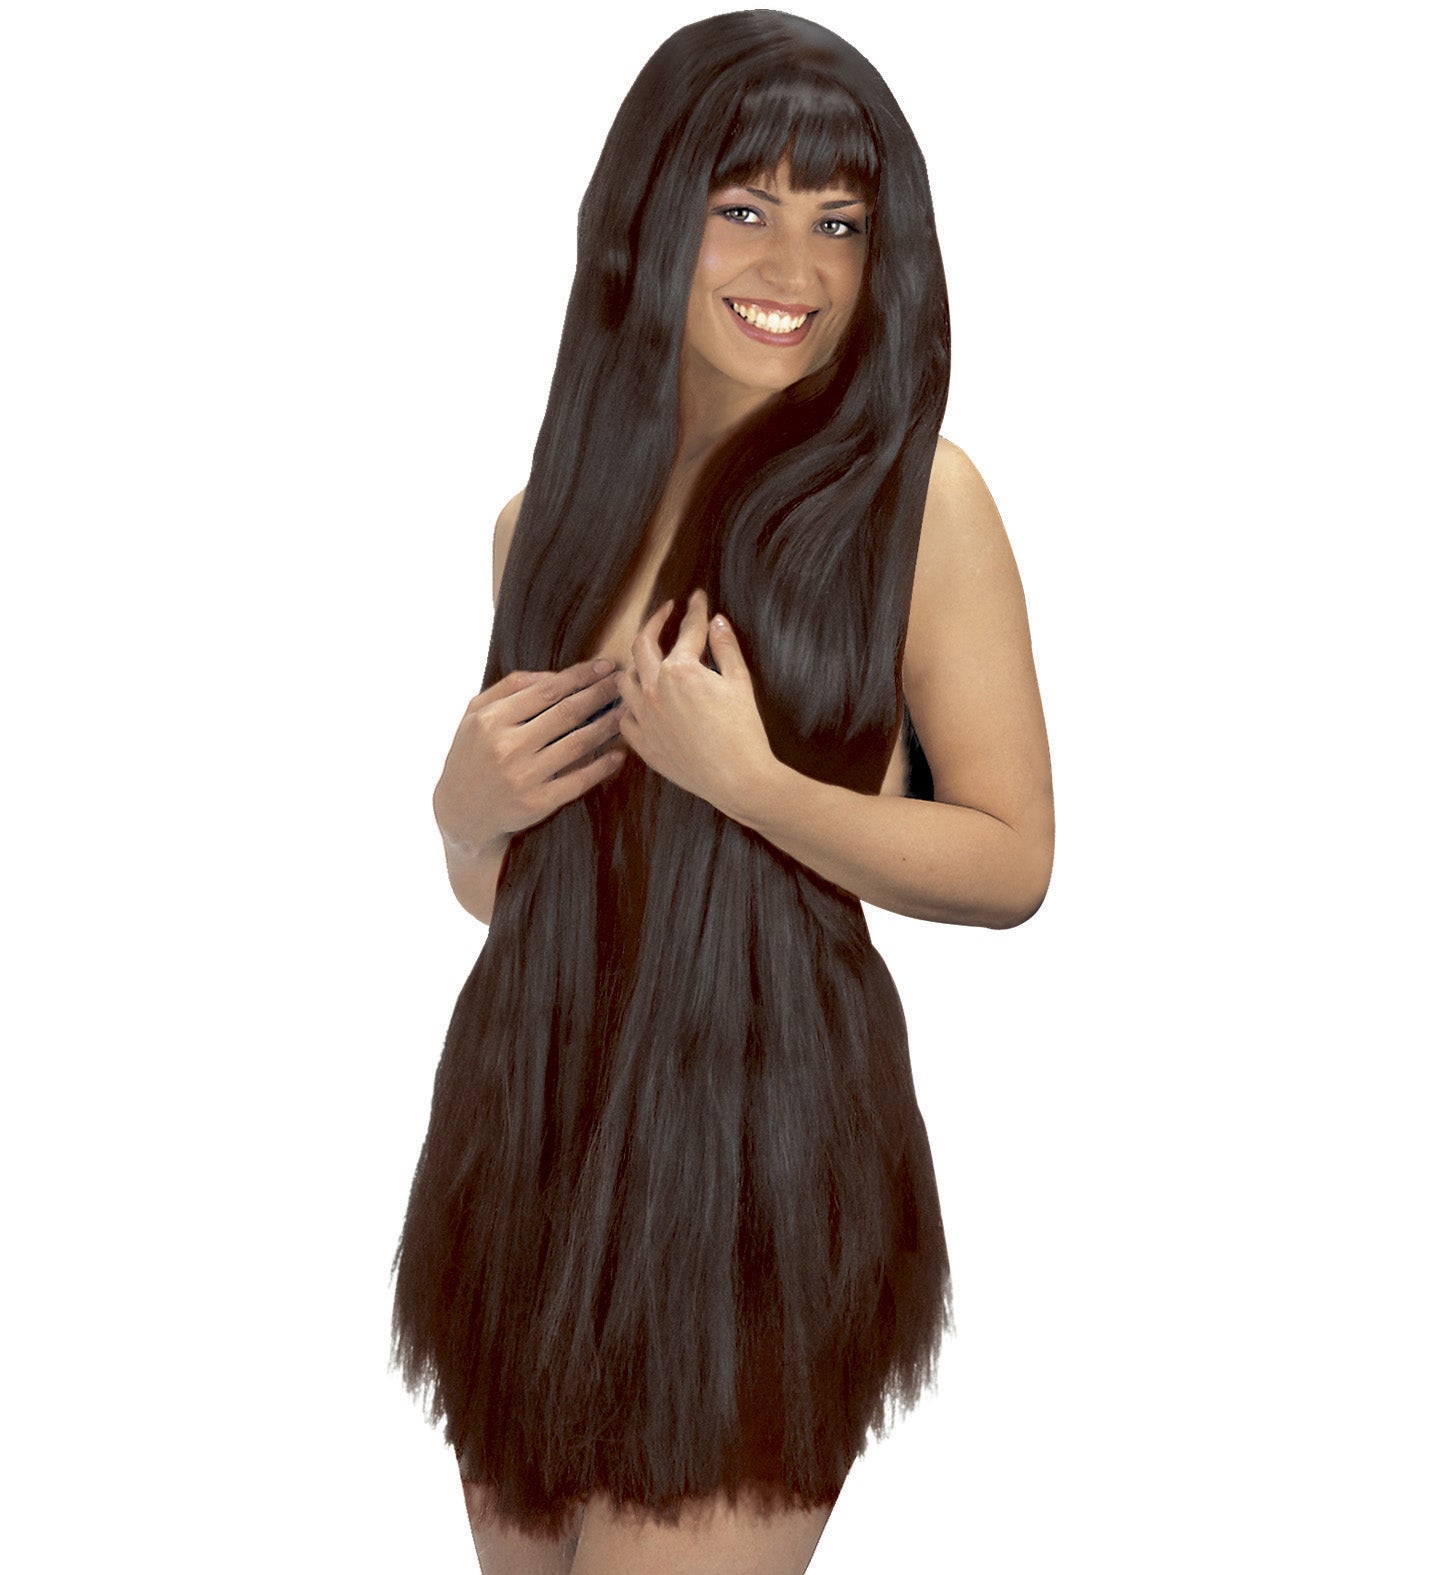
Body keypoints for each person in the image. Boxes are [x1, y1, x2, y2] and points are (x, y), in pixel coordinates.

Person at [390, 11, 1054, 1573]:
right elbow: (520, 889)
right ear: (648, 213)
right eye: (743, 206)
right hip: (531, 1132)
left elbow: (1009, 860)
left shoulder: (919, 502)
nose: (795, 266)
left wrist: (749, 782)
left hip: (756, 1149)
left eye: (842, 221)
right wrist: (463, 813)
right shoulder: (542, 521)